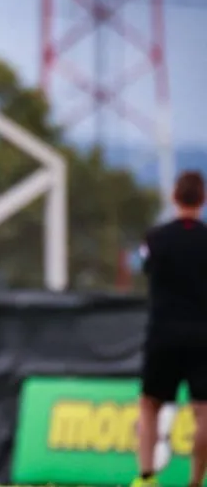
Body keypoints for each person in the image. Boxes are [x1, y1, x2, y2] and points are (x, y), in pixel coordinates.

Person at [131, 170, 207, 487]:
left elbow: (143, 267)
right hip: (203, 335)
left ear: (174, 196)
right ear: (202, 199)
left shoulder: (156, 238)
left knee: (150, 405)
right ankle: (196, 481)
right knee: (204, 412)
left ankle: (147, 478)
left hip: (163, 333)